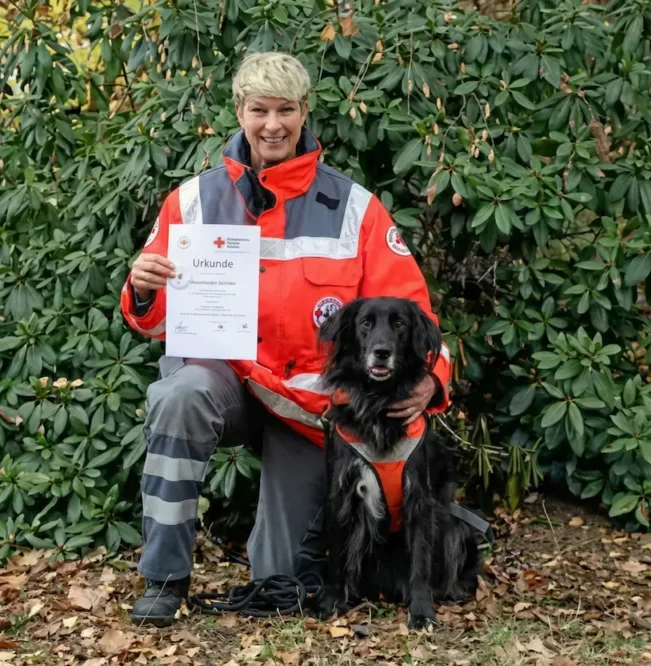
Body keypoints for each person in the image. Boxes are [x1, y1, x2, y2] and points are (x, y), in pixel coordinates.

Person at [119, 51, 453, 627]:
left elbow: (414, 316)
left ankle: (277, 569)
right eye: (259, 110)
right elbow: (153, 322)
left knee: (282, 585)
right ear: (239, 112)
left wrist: (433, 380)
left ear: (304, 114)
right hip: (224, 381)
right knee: (175, 397)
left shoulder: (355, 208)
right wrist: (143, 289)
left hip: (309, 409)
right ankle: (163, 578)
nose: (272, 125)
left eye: (286, 110)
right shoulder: (192, 201)